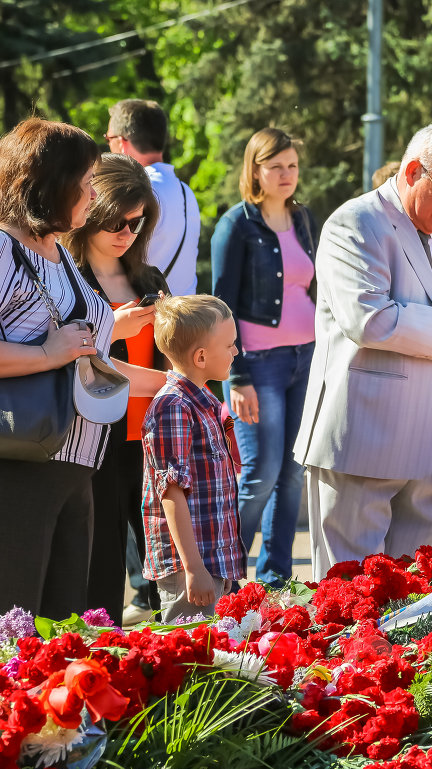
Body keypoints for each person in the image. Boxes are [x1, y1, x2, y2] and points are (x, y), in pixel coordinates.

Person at [294, 124, 432, 581]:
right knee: (349, 594)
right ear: (412, 170)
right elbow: (368, 319)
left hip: (429, 448)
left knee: (415, 596)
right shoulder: (355, 222)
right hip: (362, 438)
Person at [0, 119, 165, 619]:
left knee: (67, 627)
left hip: (76, 467)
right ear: (51, 181)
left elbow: (88, 358)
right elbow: (61, 350)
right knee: (18, 630)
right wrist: (48, 354)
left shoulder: (57, 252)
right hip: (21, 467)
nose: (94, 195)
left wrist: (177, 386)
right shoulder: (4, 249)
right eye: (86, 181)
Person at [63, 153, 169, 626]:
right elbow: (83, 362)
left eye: (137, 221)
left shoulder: (148, 278)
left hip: (149, 440)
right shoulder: (66, 278)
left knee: (168, 573)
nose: (127, 232)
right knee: (100, 579)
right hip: (94, 441)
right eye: (116, 221)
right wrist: (113, 328)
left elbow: (173, 358)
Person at [212, 128, 317, 587]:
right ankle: (223, 575)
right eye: (276, 166)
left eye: (292, 165)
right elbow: (221, 302)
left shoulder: (304, 218)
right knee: (260, 472)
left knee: (294, 472)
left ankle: (275, 579)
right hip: (257, 365)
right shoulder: (237, 224)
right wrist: (235, 376)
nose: (286, 175)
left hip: (307, 357)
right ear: (255, 169)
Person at [141, 295, 247, 623]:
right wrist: (193, 568)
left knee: (219, 656)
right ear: (201, 356)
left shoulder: (203, 400)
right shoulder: (174, 406)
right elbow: (171, 492)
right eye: (229, 345)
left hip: (213, 559)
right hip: (191, 566)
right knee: (190, 656)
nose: (236, 352)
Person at [106, 99, 200, 296]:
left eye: (109, 139)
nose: (108, 146)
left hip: (149, 315)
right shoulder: (186, 191)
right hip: (186, 315)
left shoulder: (138, 191)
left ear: (122, 143)